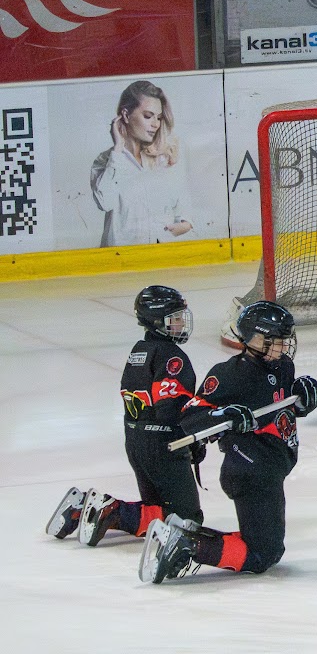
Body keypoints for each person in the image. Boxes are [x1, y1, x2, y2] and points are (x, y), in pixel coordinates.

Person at [138, 302, 317, 584]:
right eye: (276, 340)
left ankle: (187, 540)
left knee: (267, 549)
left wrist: (303, 400)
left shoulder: (284, 366)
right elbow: (191, 416)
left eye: (285, 339)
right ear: (254, 339)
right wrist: (223, 415)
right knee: (263, 554)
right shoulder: (229, 374)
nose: (284, 346)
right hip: (249, 470)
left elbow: (280, 409)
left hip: (270, 469)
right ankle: (187, 544)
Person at [46, 286, 203, 547]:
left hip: (136, 441)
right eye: (174, 318)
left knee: (156, 510)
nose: (180, 323)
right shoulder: (171, 356)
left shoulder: (139, 350)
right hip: (163, 447)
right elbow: (170, 409)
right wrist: (192, 438)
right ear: (157, 321)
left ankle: (82, 507)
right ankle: (111, 510)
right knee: (186, 521)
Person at [89, 80, 193, 247]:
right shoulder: (106, 160)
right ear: (125, 115)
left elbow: (183, 204)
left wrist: (184, 224)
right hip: (120, 257)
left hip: (160, 255)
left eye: (158, 118)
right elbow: (104, 202)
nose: (155, 124)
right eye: (148, 116)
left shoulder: (163, 159)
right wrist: (118, 149)